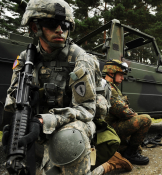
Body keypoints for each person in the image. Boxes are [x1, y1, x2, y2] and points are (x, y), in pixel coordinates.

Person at [2, 0, 131, 174]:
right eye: (51, 24)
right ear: (35, 27)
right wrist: (13, 128)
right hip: (40, 125)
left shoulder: (79, 59)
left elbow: (87, 110)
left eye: (65, 24)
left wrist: (43, 121)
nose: (60, 30)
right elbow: (13, 100)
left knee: (67, 140)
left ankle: (106, 165)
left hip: (75, 124)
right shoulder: (25, 60)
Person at [102, 59, 152, 165]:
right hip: (109, 128)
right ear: (111, 73)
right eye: (120, 74)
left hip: (111, 125)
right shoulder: (108, 88)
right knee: (146, 119)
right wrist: (135, 115)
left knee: (138, 147)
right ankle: (130, 154)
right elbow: (123, 112)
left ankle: (126, 149)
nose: (123, 78)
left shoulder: (110, 87)